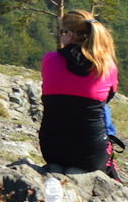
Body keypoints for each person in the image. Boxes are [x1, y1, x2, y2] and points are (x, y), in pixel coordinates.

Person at [39, 10, 119, 178]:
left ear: (69, 34)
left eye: (61, 32)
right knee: (100, 110)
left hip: (52, 150)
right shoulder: (107, 66)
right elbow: (108, 99)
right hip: (90, 155)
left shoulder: (50, 60)